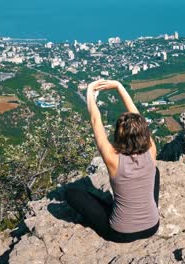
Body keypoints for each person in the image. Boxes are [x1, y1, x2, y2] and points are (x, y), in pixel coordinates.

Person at [64, 79, 160, 243]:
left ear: (118, 135)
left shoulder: (112, 157)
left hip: (120, 234)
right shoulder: (151, 150)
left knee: (71, 193)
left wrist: (90, 92)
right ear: (144, 131)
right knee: (155, 172)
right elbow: (138, 117)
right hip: (153, 226)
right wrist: (119, 86)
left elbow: (95, 120)